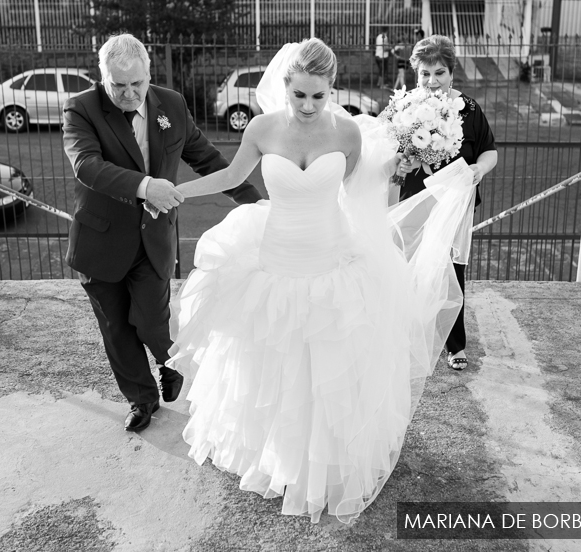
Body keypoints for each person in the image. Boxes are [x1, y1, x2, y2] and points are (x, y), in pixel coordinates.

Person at [164, 38, 476, 523]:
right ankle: (275, 456)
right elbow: (230, 176)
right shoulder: (264, 128)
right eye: (299, 95)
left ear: (332, 89)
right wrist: (178, 191)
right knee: (272, 365)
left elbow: (357, 190)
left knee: (327, 368)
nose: (308, 106)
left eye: (318, 96)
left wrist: (405, 163)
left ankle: (324, 464)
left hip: (331, 258)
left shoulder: (348, 134)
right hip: (275, 259)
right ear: (285, 87)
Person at [62, 33, 262, 433]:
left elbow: (205, 158)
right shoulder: (80, 108)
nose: (129, 93)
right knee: (117, 331)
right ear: (102, 77)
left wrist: (256, 203)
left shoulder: (171, 103)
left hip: (153, 240)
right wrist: (144, 186)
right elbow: (86, 165)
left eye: (137, 83)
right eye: (118, 85)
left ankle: (169, 363)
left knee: (152, 321)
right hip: (100, 241)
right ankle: (142, 399)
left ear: (148, 73)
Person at [397, 34, 499, 371]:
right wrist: (403, 162)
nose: (432, 81)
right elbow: (390, 153)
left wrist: (479, 169)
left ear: (452, 73)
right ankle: (406, 336)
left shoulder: (469, 109)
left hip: (455, 202)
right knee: (408, 268)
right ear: (416, 75)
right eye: (425, 74)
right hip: (416, 200)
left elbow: (489, 151)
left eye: (439, 73)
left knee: (452, 270)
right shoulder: (404, 108)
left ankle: (454, 345)